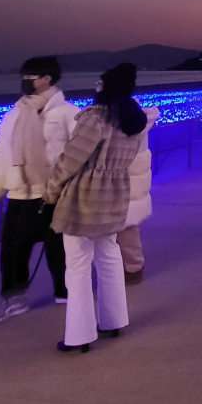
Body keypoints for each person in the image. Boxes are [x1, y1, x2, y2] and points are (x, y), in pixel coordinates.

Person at [44, 63, 148, 353]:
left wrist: (51, 191)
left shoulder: (96, 118)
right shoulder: (134, 119)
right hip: (116, 193)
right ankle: (113, 321)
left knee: (77, 264)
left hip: (86, 196)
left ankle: (79, 335)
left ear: (106, 86)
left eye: (99, 83)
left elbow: (71, 159)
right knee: (109, 255)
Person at [0, 56, 78, 325]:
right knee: (13, 248)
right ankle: (14, 298)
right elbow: (2, 156)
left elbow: (78, 155)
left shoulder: (68, 113)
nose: (25, 81)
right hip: (19, 191)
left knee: (59, 246)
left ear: (47, 78)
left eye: (30, 76)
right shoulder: (14, 115)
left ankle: (66, 291)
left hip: (53, 192)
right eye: (23, 76)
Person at [118, 102, 159, 285]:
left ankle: (131, 268)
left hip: (124, 183)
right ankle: (133, 267)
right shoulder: (138, 123)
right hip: (134, 186)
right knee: (128, 229)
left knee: (124, 231)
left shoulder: (121, 123)